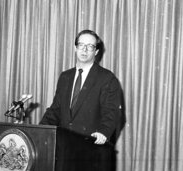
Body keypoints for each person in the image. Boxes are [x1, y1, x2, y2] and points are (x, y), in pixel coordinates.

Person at [40, 29, 122, 170]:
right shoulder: (65, 77)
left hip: (91, 151)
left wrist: (103, 132)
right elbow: (55, 109)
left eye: (90, 46)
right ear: (75, 48)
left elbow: (111, 112)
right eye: (81, 45)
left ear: (96, 51)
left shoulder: (107, 78)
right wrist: (40, 130)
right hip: (64, 151)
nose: (84, 50)